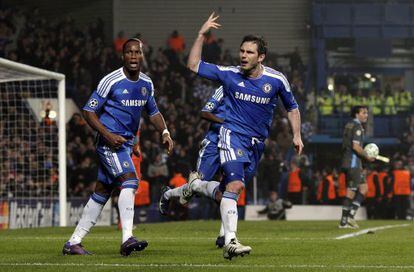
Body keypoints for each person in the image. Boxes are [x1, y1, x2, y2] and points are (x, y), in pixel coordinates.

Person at [184, 13, 303, 259]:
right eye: (242, 51)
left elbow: (292, 107)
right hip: (231, 135)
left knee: (234, 189)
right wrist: (201, 34)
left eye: (249, 52)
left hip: (256, 143)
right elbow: (193, 65)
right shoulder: (229, 73)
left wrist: (297, 135)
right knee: (235, 185)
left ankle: (193, 187)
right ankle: (231, 241)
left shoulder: (276, 80)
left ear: (261, 57)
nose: (243, 56)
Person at [62, 38, 174, 256]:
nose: (133, 57)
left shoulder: (146, 84)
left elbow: (153, 112)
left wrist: (165, 132)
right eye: (129, 53)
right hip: (109, 143)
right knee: (130, 181)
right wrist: (108, 134)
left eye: (137, 53)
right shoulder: (110, 80)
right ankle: (127, 238)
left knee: (101, 192)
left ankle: (73, 242)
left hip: (125, 144)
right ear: (123, 56)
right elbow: (88, 111)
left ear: (142, 56)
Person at [159, 86, 226, 246]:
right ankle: (168, 194)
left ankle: (225, 235)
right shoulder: (224, 89)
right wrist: (226, 122)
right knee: (196, 186)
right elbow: (205, 112)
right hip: (213, 144)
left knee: (228, 190)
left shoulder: (249, 93)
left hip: (232, 145)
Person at [339, 105, 375, 229]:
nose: (366, 115)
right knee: (351, 191)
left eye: (366, 112)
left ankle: (347, 218)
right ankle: (347, 219)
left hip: (348, 161)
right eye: (363, 112)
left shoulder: (348, 125)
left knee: (364, 188)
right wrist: (367, 156)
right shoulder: (358, 127)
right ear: (356, 114)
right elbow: (356, 146)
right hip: (353, 163)